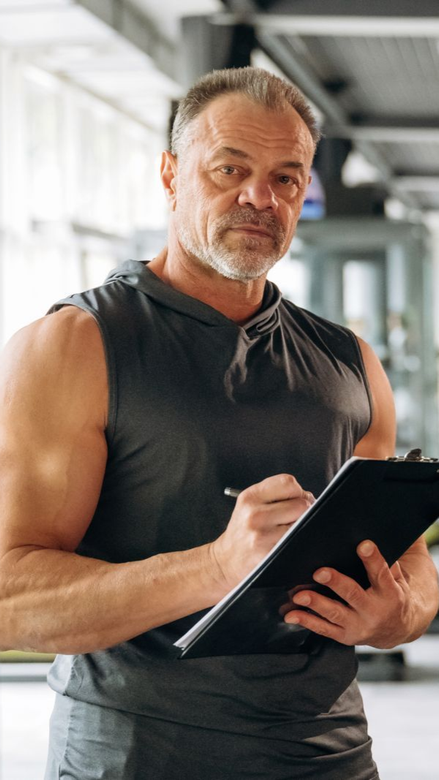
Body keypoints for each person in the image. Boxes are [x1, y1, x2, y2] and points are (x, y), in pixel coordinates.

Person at [0, 67, 437, 780]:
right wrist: (213, 568)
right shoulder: (74, 345)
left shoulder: (350, 362)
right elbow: (10, 598)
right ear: (171, 175)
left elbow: (410, 562)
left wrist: (394, 615)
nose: (259, 197)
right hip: (135, 760)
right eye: (229, 169)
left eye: (285, 178)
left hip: (329, 759)